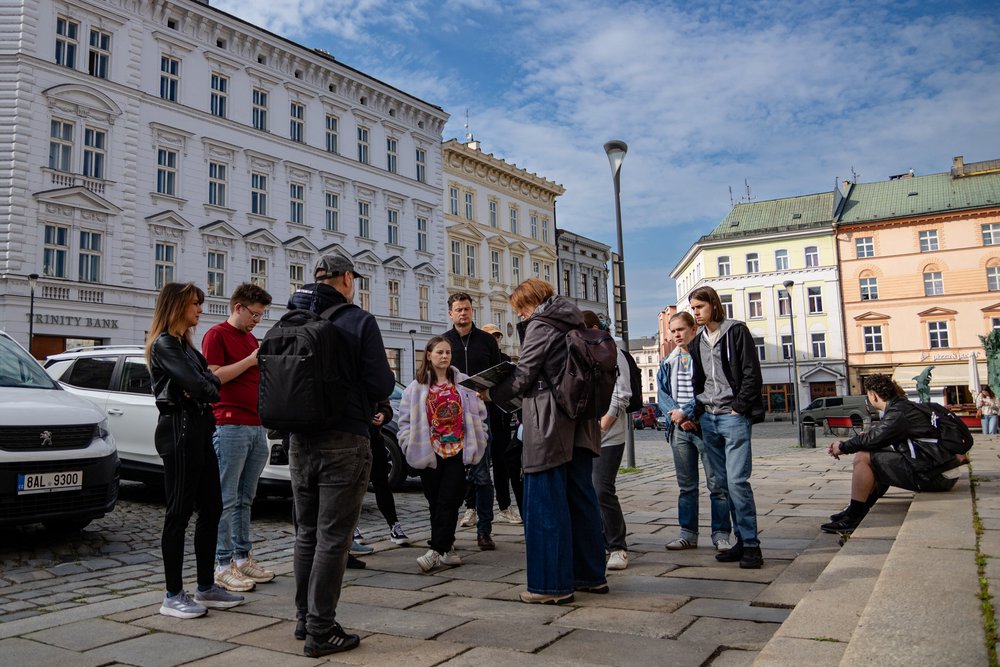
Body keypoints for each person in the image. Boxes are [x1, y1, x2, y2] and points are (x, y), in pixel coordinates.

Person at [285, 255, 396, 658]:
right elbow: (381, 380)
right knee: (334, 536)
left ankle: (303, 618)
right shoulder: (358, 320)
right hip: (345, 437)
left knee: (306, 533)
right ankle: (321, 629)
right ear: (347, 279)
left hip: (300, 440)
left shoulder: (291, 317)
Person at [488, 279, 607, 605]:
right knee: (581, 500)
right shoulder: (576, 321)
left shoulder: (542, 324)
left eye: (520, 311)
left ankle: (550, 586)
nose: (522, 318)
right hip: (582, 425)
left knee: (543, 503)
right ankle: (590, 576)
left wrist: (491, 391)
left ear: (531, 303)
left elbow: (525, 375)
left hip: (549, 423)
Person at [146, 282, 245, 619]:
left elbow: (208, 383)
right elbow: (204, 385)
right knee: (178, 513)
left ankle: (205, 585)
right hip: (180, 435)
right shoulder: (164, 345)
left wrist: (203, 385)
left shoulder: (186, 348)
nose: (200, 309)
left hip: (200, 431)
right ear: (176, 307)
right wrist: (201, 385)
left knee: (213, 507)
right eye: (194, 304)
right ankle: (172, 594)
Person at [822, 374, 967, 533]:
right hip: (940, 471)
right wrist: (865, 440)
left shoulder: (898, 412)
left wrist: (842, 447)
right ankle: (858, 509)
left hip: (934, 477)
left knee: (863, 456)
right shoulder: (904, 407)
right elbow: (879, 438)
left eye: (868, 395)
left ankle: (854, 516)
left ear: (873, 395)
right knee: (873, 452)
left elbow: (875, 437)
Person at [201, 283, 274, 593]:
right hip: (229, 424)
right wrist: (251, 361)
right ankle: (222, 564)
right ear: (238, 307)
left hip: (256, 425)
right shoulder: (216, 335)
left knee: (246, 497)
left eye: (261, 315)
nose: (257, 320)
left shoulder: (250, 338)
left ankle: (243, 557)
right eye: (254, 314)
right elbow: (213, 376)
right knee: (226, 499)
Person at [687, 285, 765, 570]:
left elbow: (751, 373)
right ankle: (741, 542)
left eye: (699, 307)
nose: (695, 312)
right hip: (709, 417)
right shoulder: (697, 342)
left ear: (713, 305)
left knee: (738, 482)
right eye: (693, 308)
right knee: (722, 484)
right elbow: (698, 380)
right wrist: (698, 410)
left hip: (733, 416)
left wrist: (739, 407)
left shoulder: (736, 332)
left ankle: (752, 546)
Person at [398, 336, 488, 572]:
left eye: (447, 352)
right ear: (429, 355)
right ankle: (447, 550)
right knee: (435, 504)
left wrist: (481, 439)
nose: (445, 356)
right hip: (430, 452)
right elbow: (405, 421)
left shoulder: (464, 383)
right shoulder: (416, 388)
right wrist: (408, 443)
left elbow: (480, 414)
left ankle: (435, 550)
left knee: (449, 501)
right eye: (439, 352)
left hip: (458, 451)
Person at [657, 311, 732, 552]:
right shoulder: (668, 361)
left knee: (717, 485)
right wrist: (678, 417)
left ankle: (721, 534)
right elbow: (663, 395)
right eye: (673, 330)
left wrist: (689, 412)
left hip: (706, 426)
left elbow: (710, 391)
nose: (677, 334)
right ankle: (687, 534)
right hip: (679, 429)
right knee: (686, 486)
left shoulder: (705, 357)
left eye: (681, 329)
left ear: (693, 329)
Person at [443, 292, 500, 550]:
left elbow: (500, 375)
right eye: (458, 309)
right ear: (450, 313)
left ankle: (484, 531)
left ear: (472, 311)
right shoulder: (444, 342)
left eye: (466, 309)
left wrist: (489, 392)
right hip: (452, 420)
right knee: (451, 478)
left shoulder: (487, 341)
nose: (463, 313)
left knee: (482, 477)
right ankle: (446, 534)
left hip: (481, 417)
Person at [582, 310, 631, 571]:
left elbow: (622, 393)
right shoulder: (579, 353)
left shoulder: (614, 352)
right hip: (586, 434)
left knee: (602, 488)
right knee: (588, 490)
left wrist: (604, 423)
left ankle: (617, 546)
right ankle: (599, 541)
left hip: (609, 434)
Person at [481, 322, 522, 522]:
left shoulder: (505, 360)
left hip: (501, 416)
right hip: (480, 416)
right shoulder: (479, 358)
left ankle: (504, 506)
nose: (495, 339)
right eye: (491, 336)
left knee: (502, 463)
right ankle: (473, 507)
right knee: (477, 463)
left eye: (497, 336)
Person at [366, 398, 411, 545]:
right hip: (351, 439)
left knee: (382, 484)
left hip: (374, 438)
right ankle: (352, 531)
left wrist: (383, 415)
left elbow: (386, 406)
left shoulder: (372, 378)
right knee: (352, 489)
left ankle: (394, 525)